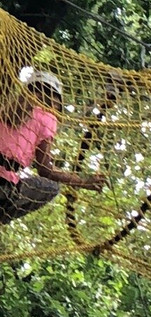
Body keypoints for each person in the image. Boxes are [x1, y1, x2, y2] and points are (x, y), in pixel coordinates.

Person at [0, 69, 106, 224]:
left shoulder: (5, 109)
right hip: (4, 188)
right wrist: (84, 182)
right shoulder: (47, 117)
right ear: (55, 100)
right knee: (51, 187)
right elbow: (45, 169)